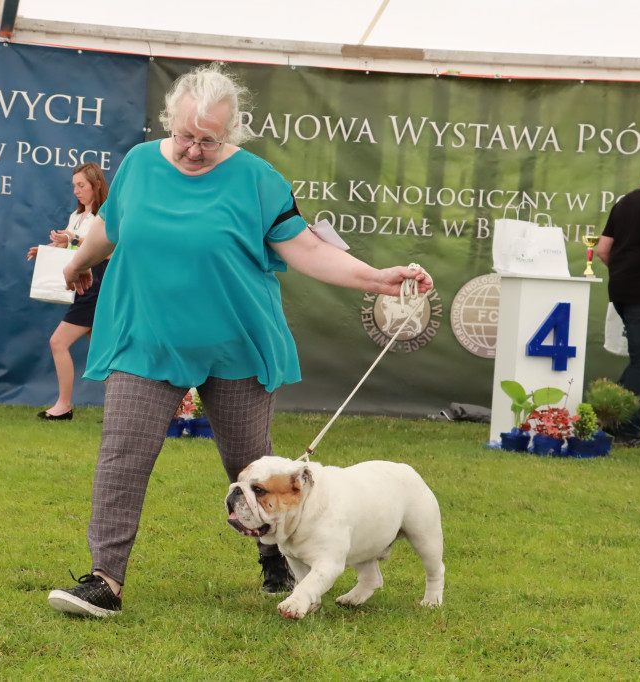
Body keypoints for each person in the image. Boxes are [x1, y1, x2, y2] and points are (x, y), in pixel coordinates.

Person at [46, 62, 432, 618]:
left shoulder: (258, 179)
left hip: (238, 342)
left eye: (209, 140)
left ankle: (278, 555)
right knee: (121, 459)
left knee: (251, 466)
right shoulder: (136, 166)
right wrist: (78, 263)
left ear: (232, 133)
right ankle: (105, 579)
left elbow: (308, 250)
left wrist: (377, 278)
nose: (193, 150)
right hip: (146, 337)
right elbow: (111, 224)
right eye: (184, 136)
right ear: (167, 123)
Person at [27, 162, 109, 421]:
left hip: (97, 285)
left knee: (58, 342)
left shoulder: (105, 216)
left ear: (96, 185)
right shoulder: (76, 217)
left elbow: (106, 248)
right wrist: (47, 250)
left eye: (81, 185)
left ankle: (63, 406)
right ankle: (120, 412)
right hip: (83, 285)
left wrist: (71, 240)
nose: (76, 191)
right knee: (102, 351)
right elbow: (74, 251)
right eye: (74, 186)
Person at [595, 152, 640, 448]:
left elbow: (602, 249)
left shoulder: (623, 202)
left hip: (621, 292)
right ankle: (627, 431)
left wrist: (625, 274)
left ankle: (611, 420)